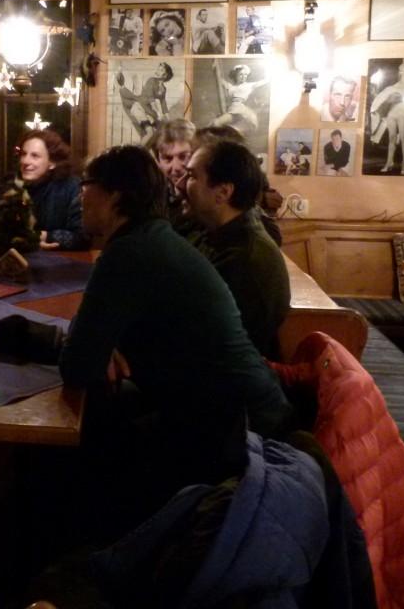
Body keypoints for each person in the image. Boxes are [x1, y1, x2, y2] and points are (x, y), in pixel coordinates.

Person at [58, 145, 291, 533]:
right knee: (104, 420)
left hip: (234, 435)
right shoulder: (153, 237)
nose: (80, 195)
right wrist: (102, 342)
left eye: (86, 184)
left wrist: (96, 342)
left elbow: (77, 366)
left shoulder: (129, 252)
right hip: (232, 412)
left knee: (84, 456)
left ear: (114, 195)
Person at [183, 140, 291, 359]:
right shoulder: (216, 234)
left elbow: (202, 339)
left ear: (223, 192)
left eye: (192, 176)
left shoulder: (244, 259)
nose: (179, 183)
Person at [0, 128, 87, 250]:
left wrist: (42, 237)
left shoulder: (71, 187)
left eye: (35, 156)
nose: (25, 161)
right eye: (23, 154)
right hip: (11, 258)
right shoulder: (4, 187)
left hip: (58, 259)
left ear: (52, 163)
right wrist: (21, 242)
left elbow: (82, 236)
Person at [145, 118, 196, 229]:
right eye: (167, 158)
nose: (176, 167)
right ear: (158, 161)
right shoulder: (152, 196)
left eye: (183, 157)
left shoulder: (207, 199)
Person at [370, 58, 404, 174]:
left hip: (403, 111)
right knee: (391, 138)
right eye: (401, 68)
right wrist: (389, 98)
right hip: (392, 111)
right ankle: (389, 162)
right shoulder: (394, 85)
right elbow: (387, 99)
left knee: (403, 136)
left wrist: (396, 97)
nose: (402, 69)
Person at [116, 61, 173, 138]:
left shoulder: (163, 89)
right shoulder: (151, 80)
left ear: (165, 75)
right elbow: (151, 99)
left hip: (148, 109)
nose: (158, 70)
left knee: (158, 132)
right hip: (140, 105)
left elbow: (163, 104)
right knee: (150, 132)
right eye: (158, 68)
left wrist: (169, 120)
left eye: (161, 70)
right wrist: (158, 113)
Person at [212, 63, 268, 134]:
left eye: (245, 75)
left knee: (216, 123)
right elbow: (219, 79)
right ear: (236, 75)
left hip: (239, 111)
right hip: (231, 110)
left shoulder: (249, 85)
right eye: (241, 74)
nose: (243, 77)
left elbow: (265, 81)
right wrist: (215, 68)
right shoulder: (231, 87)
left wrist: (268, 71)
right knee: (222, 127)